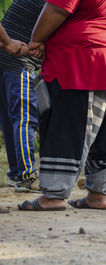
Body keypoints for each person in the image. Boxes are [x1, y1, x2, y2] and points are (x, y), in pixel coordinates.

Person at [18, 0, 106, 211]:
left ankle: (54, 196)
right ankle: (98, 195)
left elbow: (56, 9)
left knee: (65, 128)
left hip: (80, 61)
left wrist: (36, 39)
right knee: (105, 131)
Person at [0, 0, 44, 194]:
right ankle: (26, 177)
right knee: (25, 119)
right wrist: (9, 43)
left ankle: (18, 174)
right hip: (17, 63)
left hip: (4, 62)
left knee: (11, 120)